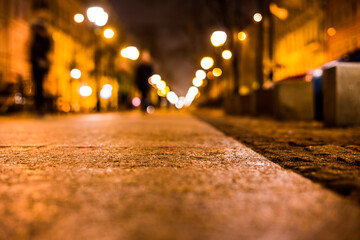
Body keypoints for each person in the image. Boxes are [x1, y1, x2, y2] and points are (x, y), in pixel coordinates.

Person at [30, 20, 51, 115]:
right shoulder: (34, 39)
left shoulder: (45, 39)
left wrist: (43, 62)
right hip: (35, 65)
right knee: (36, 85)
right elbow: (32, 53)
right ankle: (38, 106)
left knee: (40, 86)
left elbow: (48, 51)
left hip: (42, 66)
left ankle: (40, 107)